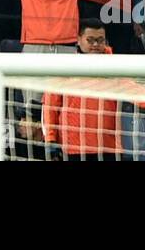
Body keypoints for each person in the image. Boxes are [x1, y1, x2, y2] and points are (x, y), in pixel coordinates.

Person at [40, 20, 118, 161]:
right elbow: (50, 106)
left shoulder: (117, 66)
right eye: (91, 40)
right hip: (72, 148)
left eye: (100, 40)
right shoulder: (64, 67)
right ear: (78, 39)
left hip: (109, 147)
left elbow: (137, 93)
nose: (95, 45)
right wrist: (50, 139)